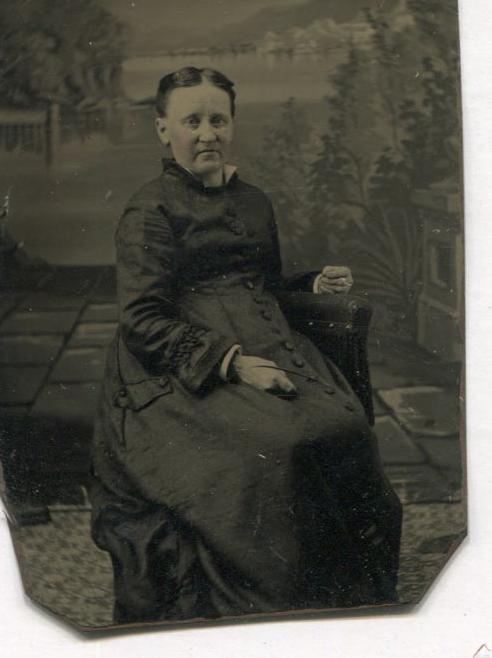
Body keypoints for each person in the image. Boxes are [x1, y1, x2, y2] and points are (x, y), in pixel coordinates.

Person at [89, 66, 402, 624]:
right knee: (278, 446)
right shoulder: (150, 210)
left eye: (218, 120)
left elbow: (262, 284)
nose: (207, 134)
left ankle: (340, 596)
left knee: (346, 426)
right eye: (192, 122)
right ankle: (272, 607)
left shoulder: (254, 200)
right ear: (163, 129)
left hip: (267, 344)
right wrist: (232, 365)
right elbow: (141, 319)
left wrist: (310, 284)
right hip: (178, 372)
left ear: (231, 124)